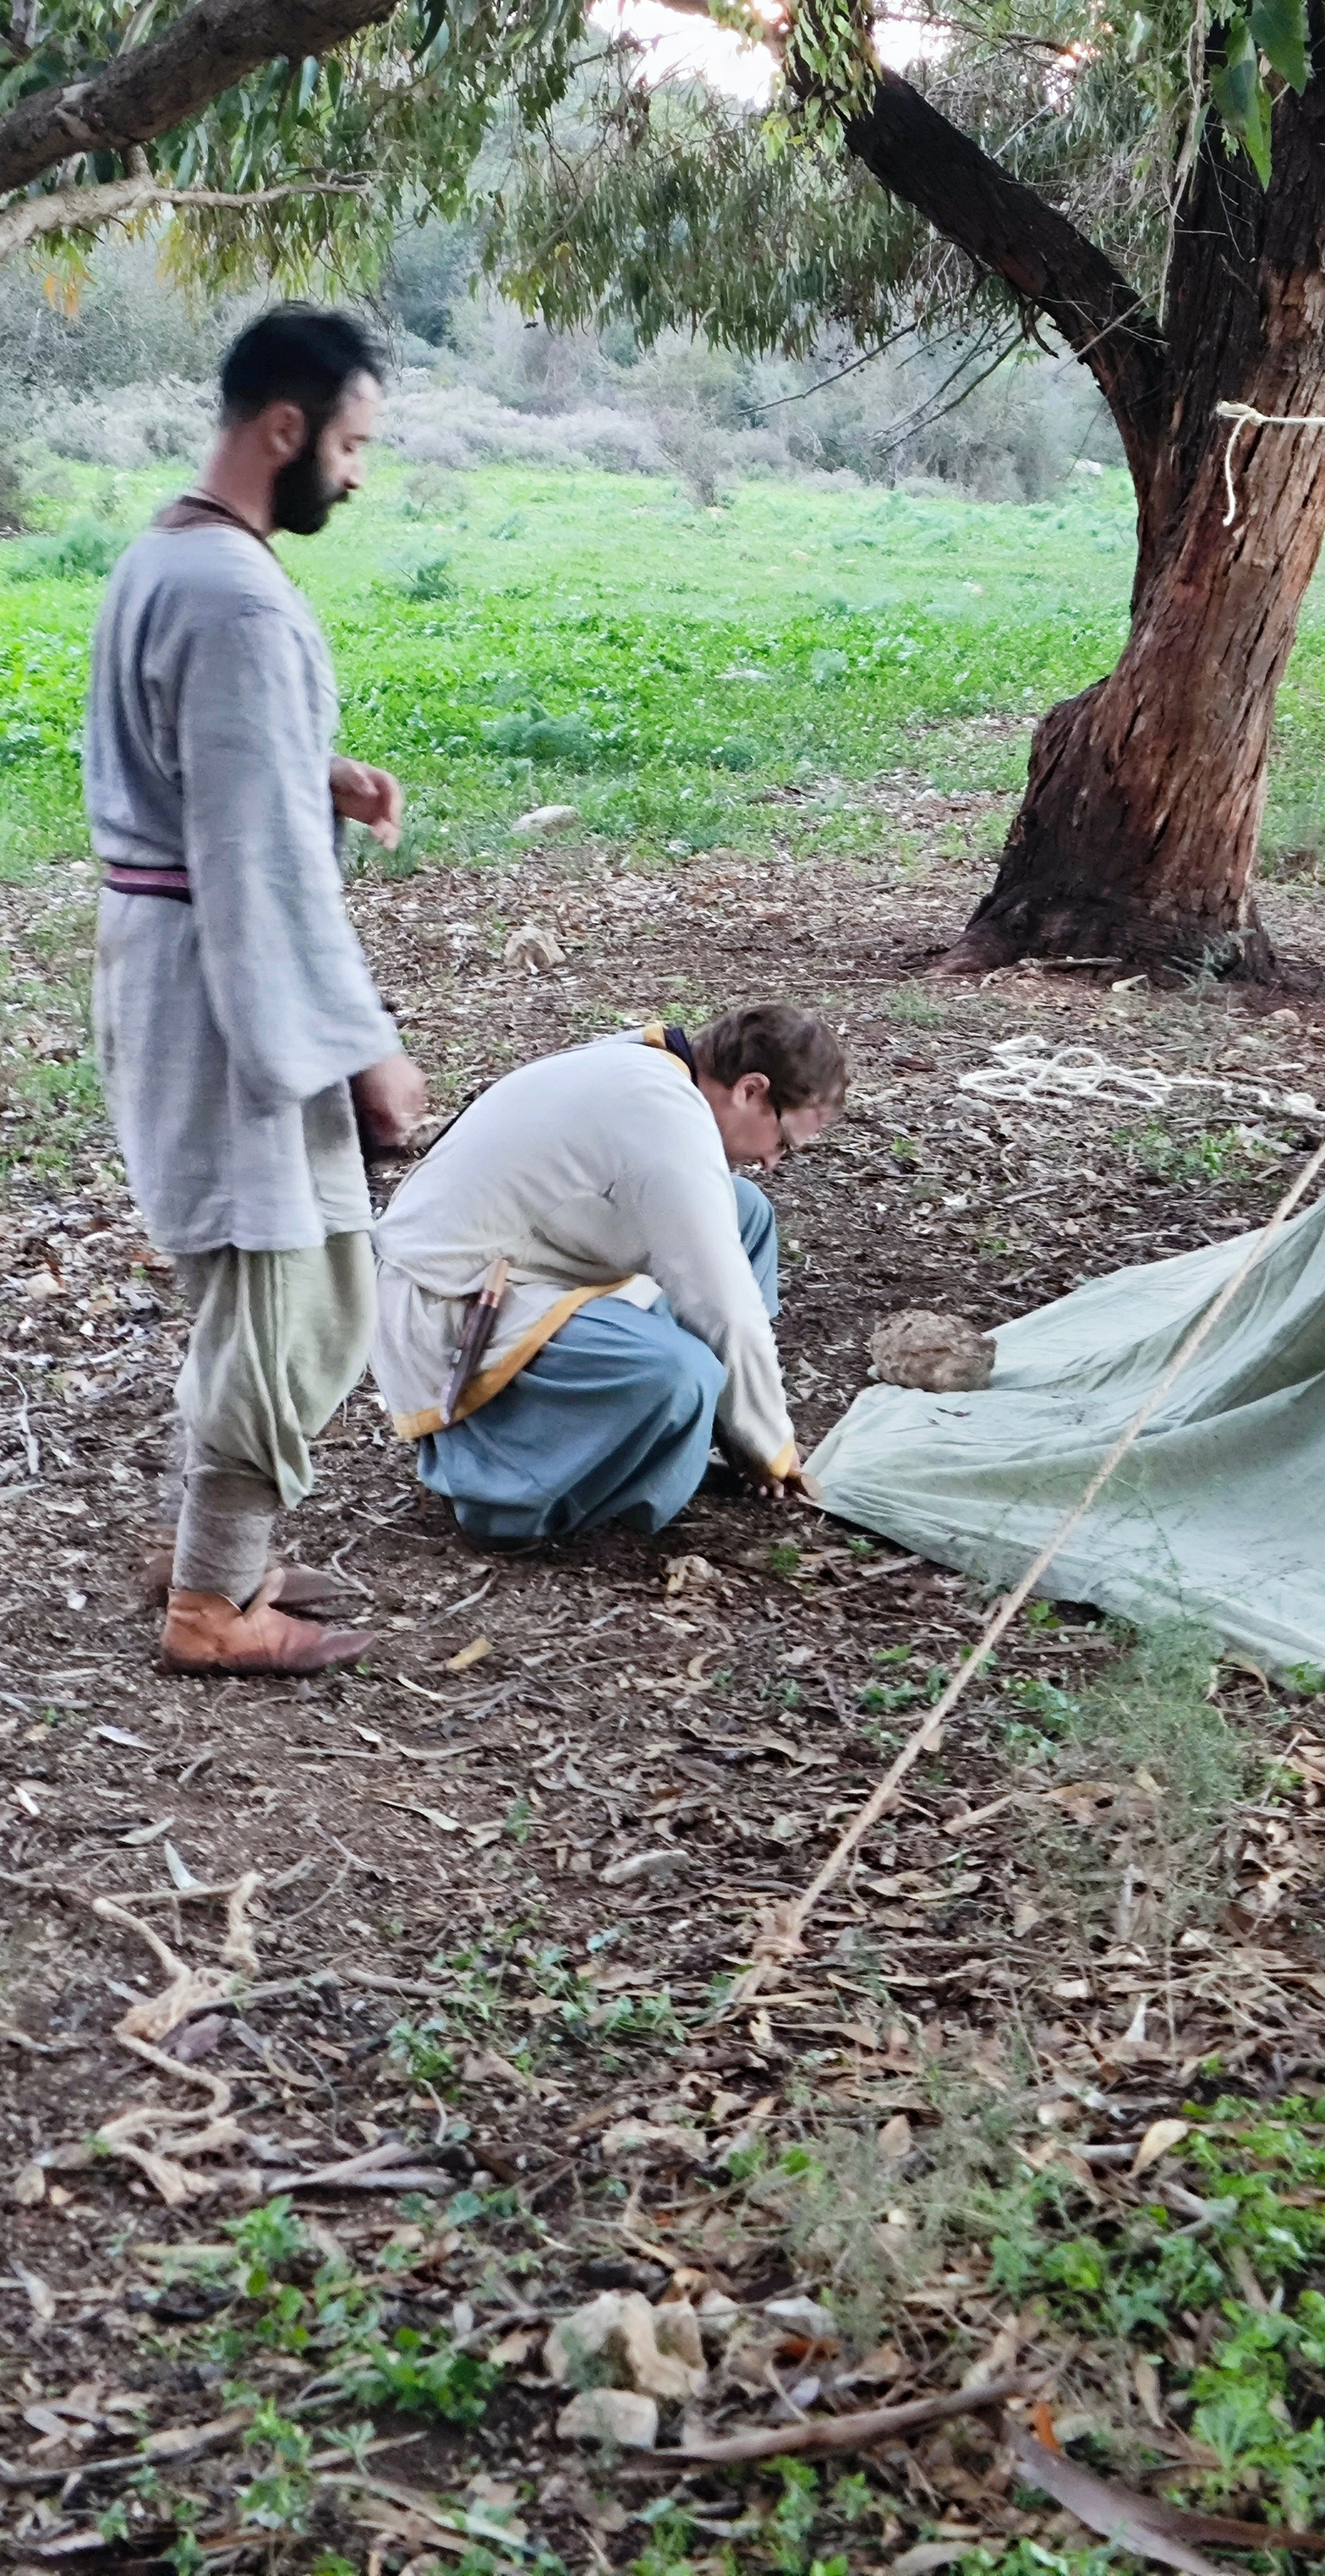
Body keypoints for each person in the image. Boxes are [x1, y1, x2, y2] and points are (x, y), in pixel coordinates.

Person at [85, 305, 429, 1676]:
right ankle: (210, 1605)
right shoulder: (232, 597)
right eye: (349, 445)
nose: (355, 474)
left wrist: (313, 769)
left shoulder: (165, 555)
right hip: (227, 989)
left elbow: (197, 772)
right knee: (283, 1300)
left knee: (277, 1286)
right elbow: (256, 864)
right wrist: (361, 1045)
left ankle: (220, 1552)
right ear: (284, 428)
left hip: (176, 964)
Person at [371, 1007, 847, 1543]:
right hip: (452, 1301)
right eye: (782, 1141)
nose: (772, 1161)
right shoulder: (665, 1115)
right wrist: (774, 1448)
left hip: (525, 1255)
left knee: (747, 1212)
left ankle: (719, 1430)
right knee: (679, 1372)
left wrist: (754, 1427)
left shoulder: (659, 1066)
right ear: (750, 1091)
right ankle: (500, 1485)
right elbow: (726, 1310)